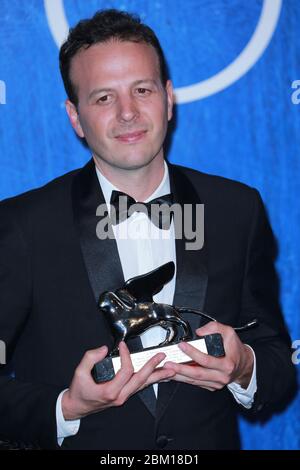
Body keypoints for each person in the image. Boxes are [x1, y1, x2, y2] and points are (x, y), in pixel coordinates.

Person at [0, 9, 295, 450]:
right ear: (75, 116)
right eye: (103, 98)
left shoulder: (236, 209)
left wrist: (243, 366)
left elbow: (275, 361)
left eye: (142, 89)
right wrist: (66, 407)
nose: (128, 113)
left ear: (168, 97)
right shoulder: (22, 225)